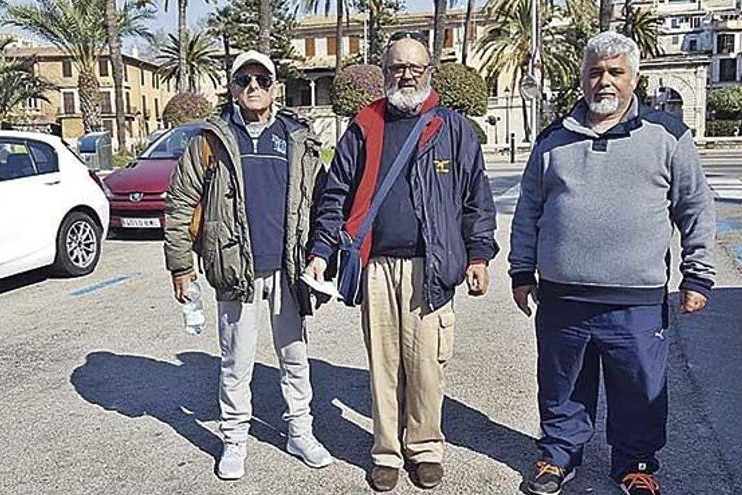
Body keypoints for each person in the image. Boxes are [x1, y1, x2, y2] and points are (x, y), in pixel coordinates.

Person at [508, 32, 716, 495]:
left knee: (639, 390)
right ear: (582, 78)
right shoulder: (552, 140)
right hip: (563, 297)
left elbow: (695, 207)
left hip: (636, 301)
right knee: (561, 386)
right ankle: (558, 456)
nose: (604, 81)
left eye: (615, 72)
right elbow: (529, 212)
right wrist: (521, 271)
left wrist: (697, 273)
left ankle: (636, 464)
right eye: (595, 72)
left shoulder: (667, 137)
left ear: (634, 78)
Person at [304, 33, 498, 492]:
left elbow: (477, 199)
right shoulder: (365, 124)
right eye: (396, 67)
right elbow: (336, 194)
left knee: (428, 365)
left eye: (415, 67)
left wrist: (479, 254)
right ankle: (386, 452)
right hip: (376, 268)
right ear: (384, 71)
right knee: (384, 366)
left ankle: (425, 448)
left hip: (430, 265)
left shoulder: (454, 128)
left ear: (429, 71)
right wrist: (321, 252)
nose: (405, 75)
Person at [163, 50, 332, 480]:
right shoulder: (210, 141)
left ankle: (300, 431)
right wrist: (181, 267)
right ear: (232, 89)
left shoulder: (297, 138)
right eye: (244, 80)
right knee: (236, 362)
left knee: (294, 357)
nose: (253, 87)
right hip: (236, 271)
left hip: (288, 271)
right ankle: (234, 440)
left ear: (274, 86)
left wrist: (322, 258)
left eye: (261, 79)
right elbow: (181, 204)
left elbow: (323, 200)